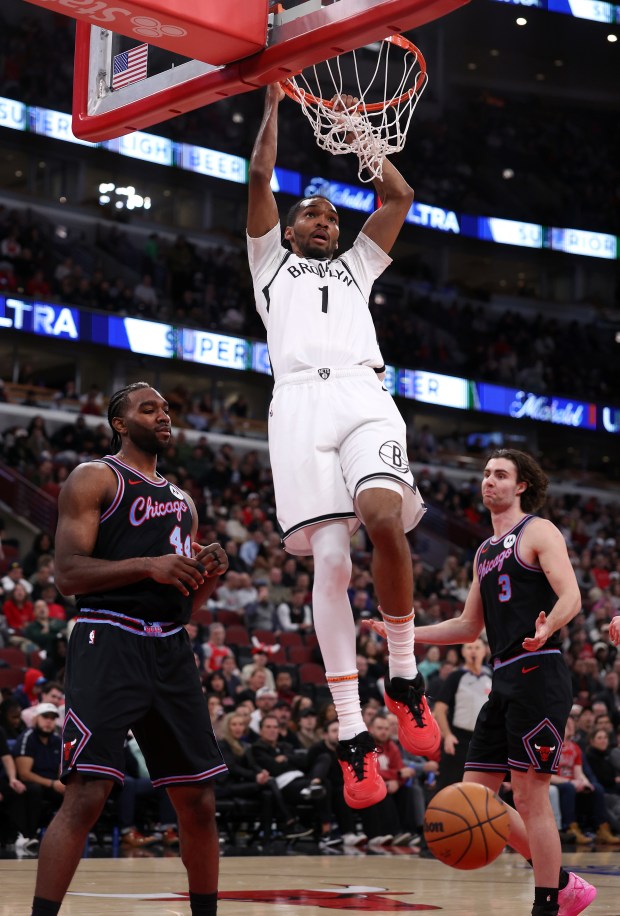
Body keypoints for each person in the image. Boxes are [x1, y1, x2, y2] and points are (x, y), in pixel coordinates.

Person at [247, 83, 439, 810]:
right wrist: (271, 105)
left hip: (363, 396)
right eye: (313, 214)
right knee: (330, 561)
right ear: (291, 232)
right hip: (297, 406)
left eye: (331, 215)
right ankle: (355, 736)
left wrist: (359, 131)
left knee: (385, 520)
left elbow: (397, 198)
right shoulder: (270, 265)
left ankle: (403, 675)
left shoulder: (358, 266)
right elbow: (261, 178)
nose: (326, 220)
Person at [30, 381, 230, 916]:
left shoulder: (182, 502)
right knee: (88, 795)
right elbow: (67, 574)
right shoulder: (96, 478)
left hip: (168, 646)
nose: (163, 416)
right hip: (107, 636)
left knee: (199, 801)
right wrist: (149, 565)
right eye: (149, 409)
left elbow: (183, 606)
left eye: (166, 408)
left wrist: (205, 576)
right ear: (120, 423)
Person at [402, 449, 596, 916]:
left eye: (501, 475)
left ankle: (547, 902)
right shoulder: (484, 552)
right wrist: (403, 631)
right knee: (474, 799)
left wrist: (550, 626)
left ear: (522, 484)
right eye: (486, 474)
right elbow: (469, 627)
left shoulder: (538, 531)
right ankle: (565, 881)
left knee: (531, 798)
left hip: (540, 671)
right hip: (503, 677)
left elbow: (572, 594)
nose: (490, 482)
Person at [432, 637, 493, 790]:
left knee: (479, 790)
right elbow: (439, 708)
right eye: (470, 647)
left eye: (477, 648)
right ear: (463, 652)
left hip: (482, 742)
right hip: (457, 739)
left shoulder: (491, 678)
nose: (473, 651)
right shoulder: (455, 677)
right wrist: (447, 736)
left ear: (484, 651)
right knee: (448, 787)